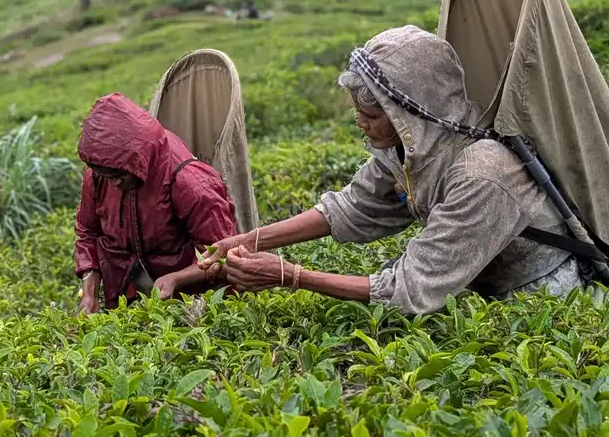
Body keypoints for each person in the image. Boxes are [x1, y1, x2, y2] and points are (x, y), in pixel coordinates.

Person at [198, 25, 584, 316]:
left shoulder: (482, 173)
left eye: (371, 115)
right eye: (358, 112)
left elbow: (411, 289)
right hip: (479, 288)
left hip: (540, 303)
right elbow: (354, 208)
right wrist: (250, 240)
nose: (360, 124)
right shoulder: (411, 149)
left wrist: (290, 276)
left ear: (410, 113)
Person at [75, 92, 238, 313]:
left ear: (136, 161)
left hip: (189, 298)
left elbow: (223, 255)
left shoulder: (190, 183)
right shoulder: (99, 175)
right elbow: (88, 232)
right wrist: (89, 295)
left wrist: (178, 278)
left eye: (118, 176)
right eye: (107, 176)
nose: (113, 184)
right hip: (126, 290)